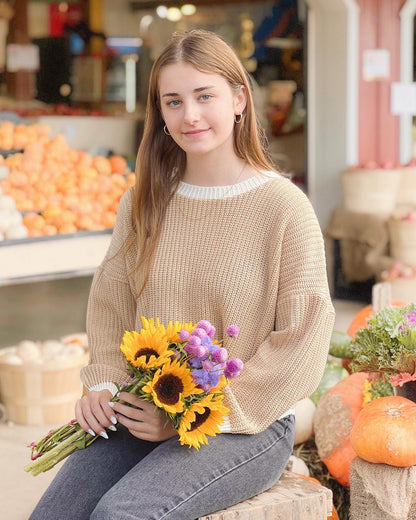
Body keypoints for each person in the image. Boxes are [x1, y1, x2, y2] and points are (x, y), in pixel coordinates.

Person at [30, 29, 335, 520]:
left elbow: (303, 341)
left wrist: (187, 417)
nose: (189, 115)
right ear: (161, 113)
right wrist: (104, 384)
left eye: (204, 96)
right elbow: (111, 305)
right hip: (143, 408)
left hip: (246, 424)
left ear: (238, 99)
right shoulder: (144, 201)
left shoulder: (283, 208)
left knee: (122, 514)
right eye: (173, 101)